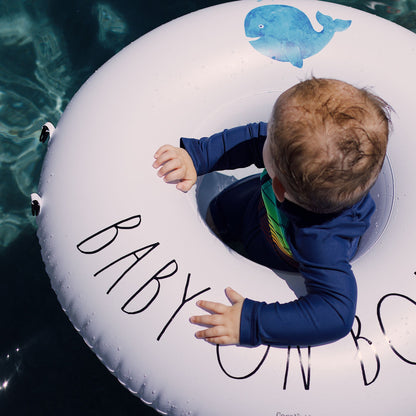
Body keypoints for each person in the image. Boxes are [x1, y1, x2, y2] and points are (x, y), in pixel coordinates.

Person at [152, 78, 391, 347]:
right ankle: (219, 223)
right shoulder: (300, 175)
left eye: (271, 136)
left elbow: (336, 314)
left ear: (279, 185)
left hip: (284, 255)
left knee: (251, 246)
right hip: (261, 207)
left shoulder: (322, 245)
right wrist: (196, 156)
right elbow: (255, 139)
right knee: (221, 209)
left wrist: (252, 322)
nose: (265, 133)